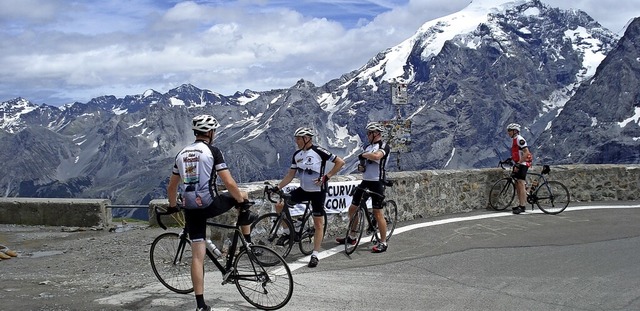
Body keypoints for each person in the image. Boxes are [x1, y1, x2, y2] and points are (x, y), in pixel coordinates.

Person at [167, 114, 254, 311]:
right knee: (244, 195)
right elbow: (230, 183)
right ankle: (247, 242)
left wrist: (173, 205)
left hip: (190, 207)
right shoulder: (212, 151)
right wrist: (240, 201)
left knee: (197, 256)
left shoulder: (181, 154)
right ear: (210, 132)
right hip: (210, 204)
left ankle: (200, 305)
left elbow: (172, 187)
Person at [269, 127, 345, 268]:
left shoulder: (319, 151)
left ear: (306, 139)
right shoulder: (297, 154)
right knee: (280, 205)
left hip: (318, 192)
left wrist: (326, 177)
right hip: (303, 190)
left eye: (298, 138)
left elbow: (340, 162)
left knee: (318, 224)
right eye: (296, 138)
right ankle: (288, 232)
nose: (296, 141)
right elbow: (291, 175)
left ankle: (315, 254)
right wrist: (278, 187)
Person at [336, 122, 391, 253]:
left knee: (378, 213)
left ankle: (383, 242)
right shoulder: (368, 147)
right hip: (365, 181)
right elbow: (365, 164)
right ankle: (352, 237)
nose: (367, 135)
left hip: (377, 182)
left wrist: (364, 155)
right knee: (353, 208)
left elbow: (377, 156)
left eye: (369, 133)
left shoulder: (383, 146)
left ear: (376, 133)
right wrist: (362, 167)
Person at [506, 123, 532, 215]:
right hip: (519, 163)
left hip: (524, 163)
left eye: (510, 131)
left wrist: (519, 163)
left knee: (521, 184)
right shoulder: (514, 140)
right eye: (508, 131)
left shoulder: (520, 139)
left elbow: (526, 153)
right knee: (517, 184)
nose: (508, 132)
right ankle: (520, 204)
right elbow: (518, 152)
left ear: (515, 131)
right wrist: (511, 158)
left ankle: (522, 206)